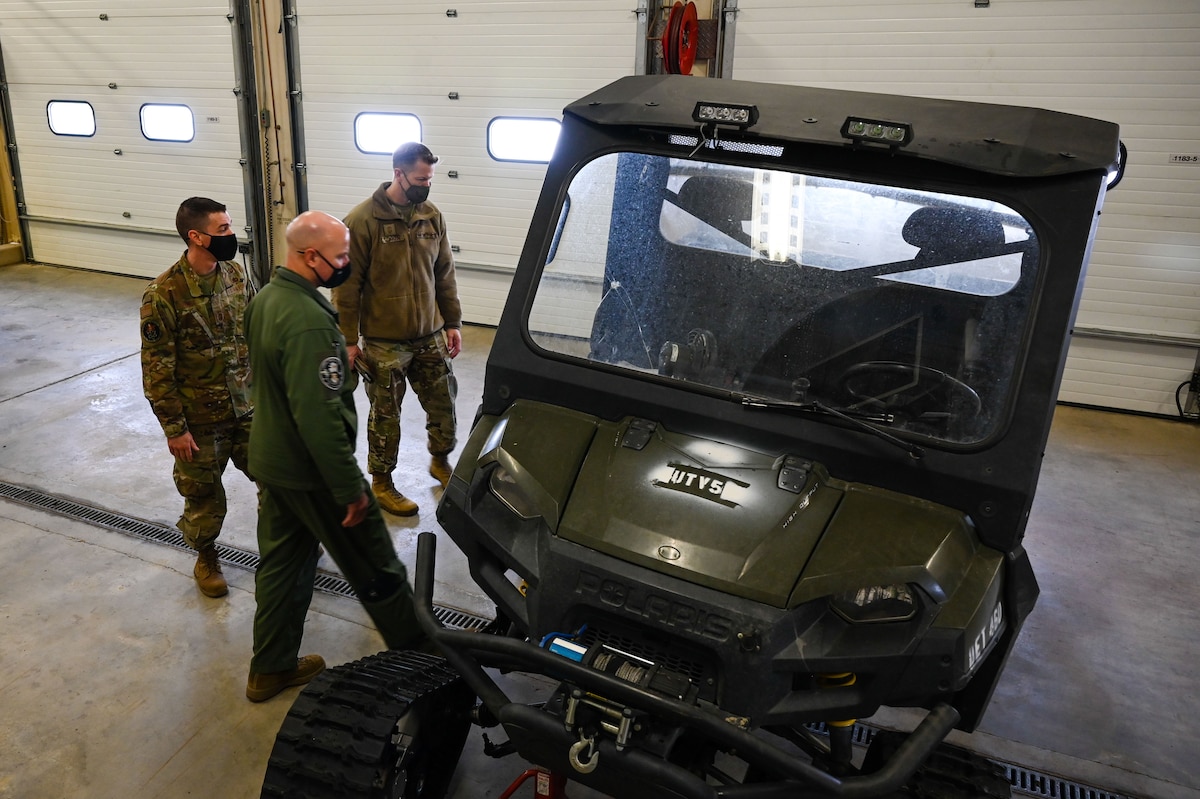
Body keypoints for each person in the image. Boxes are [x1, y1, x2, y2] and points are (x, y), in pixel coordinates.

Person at [243, 210, 426, 702]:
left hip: (274, 464)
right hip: (316, 474)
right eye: (340, 256)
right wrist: (350, 489)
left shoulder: (266, 299)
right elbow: (318, 417)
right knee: (378, 568)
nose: (347, 264)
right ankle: (426, 670)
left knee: (283, 566)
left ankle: (270, 668)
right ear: (309, 256)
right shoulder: (309, 322)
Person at [334, 141, 463, 517]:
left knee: (444, 405)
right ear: (398, 174)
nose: (426, 186)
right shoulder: (362, 221)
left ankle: (440, 461)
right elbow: (346, 287)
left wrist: (452, 322)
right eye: (421, 179)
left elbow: (445, 273)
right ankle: (382, 483)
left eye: (430, 179)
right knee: (385, 415)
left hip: (430, 333)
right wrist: (347, 341)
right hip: (383, 341)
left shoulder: (431, 216)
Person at [140, 196, 255, 598]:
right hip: (200, 419)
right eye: (222, 229)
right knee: (203, 496)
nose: (231, 235)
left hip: (247, 408)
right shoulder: (164, 293)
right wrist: (174, 429)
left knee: (278, 478)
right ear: (196, 237)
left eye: (229, 226)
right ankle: (206, 556)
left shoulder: (236, 275)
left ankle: (286, 547)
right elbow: (157, 370)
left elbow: (253, 336)